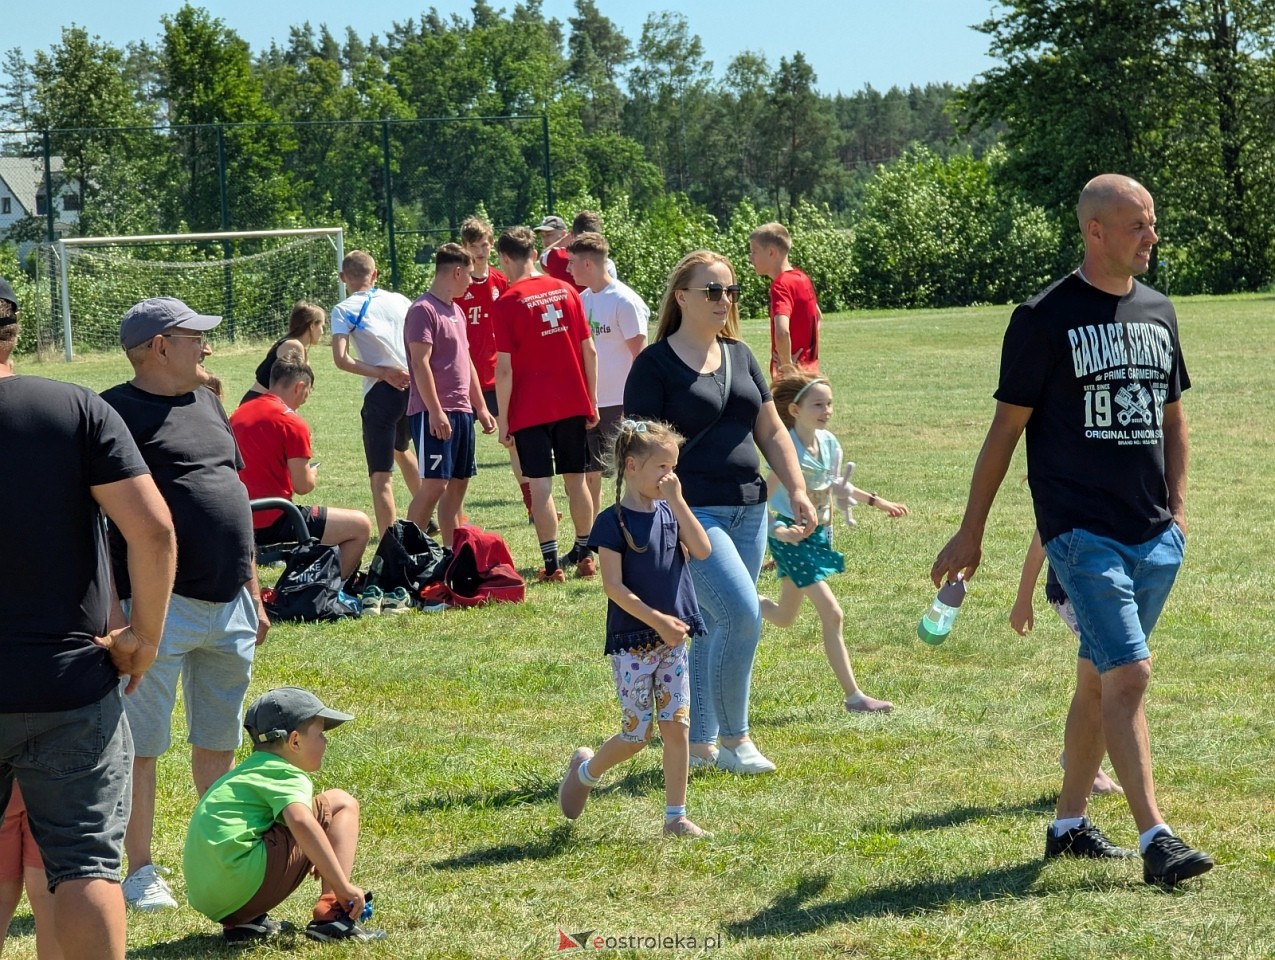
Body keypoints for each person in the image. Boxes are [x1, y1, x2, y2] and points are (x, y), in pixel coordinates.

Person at [931, 174, 1213, 887]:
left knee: (1097, 678)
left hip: (1153, 533)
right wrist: (970, 531)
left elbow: (1173, 420)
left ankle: (1067, 826)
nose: (1151, 237)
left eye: (1151, 223)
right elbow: (1005, 430)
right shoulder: (1042, 317)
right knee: (1130, 673)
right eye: (1136, 225)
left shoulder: (1158, 311)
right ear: (1095, 230)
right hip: (1080, 532)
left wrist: (1177, 511)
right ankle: (1157, 838)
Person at [0, 277, 177, 959]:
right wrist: (144, 638)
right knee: (85, 863)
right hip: (67, 684)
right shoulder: (75, 408)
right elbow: (154, 531)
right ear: (15, 331)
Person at [101, 297, 271, 911]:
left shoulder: (208, 400)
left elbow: (233, 491)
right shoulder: (111, 414)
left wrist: (253, 590)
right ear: (158, 348)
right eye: (194, 336)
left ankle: (216, 857)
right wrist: (118, 614)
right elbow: (91, 524)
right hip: (156, 607)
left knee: (218, 741)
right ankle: (140, 871)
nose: (207, 346)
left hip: (230, 602)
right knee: (141, 747)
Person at [623, 251, 818, 775]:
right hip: (691, 514)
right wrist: (661, 509)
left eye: (730, 290)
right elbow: (636, 452)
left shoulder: (740, 355)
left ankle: (700, 744)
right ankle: (736, 740)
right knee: (741, 614)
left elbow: (771, 431)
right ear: (681, 297)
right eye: (712, 290)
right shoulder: (654, 365)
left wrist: (797, 489)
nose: (724, 300)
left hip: (748, 510)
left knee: (713, 625)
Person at [559, 420, 712, 837]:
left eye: (673, 467)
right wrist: (658, 621)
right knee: (637, 735)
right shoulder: (612, 522)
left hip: (672, 643)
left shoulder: (671, 510)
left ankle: (675, 817)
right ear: (631, 466)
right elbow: (614, 587)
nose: (670, 476)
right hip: (634, 644)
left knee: (677, 727)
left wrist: (678, 502)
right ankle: (586, 772)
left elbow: (702, 549)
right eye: (662, 467)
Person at [183, 687, 383, 944]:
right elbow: (300, 821)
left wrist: (314, 852)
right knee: (341, 803)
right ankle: (332, 912)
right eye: (320, 734)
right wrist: (342, 885)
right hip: (244, 882)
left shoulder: (242, 774)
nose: (325, 742)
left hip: (211, 898)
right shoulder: (286, 773)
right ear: (295, 741)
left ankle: (245, 924)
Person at [759, 370, 908, 714]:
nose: (826, 410)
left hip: (816, 536)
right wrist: (778, 531)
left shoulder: (828, 443)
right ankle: (855, 698)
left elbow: (837, 484)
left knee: (783, 616)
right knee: (833, 613)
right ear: (794, 410)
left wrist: (877, 501)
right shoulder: (786, 450)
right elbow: (758, 501)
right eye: (818, 404)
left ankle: (736, 603)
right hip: (791, 538)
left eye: (829, 404)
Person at [493, 226, 600, 582]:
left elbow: (504, 369)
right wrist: (591, 400)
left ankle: (552, 565)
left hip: (529, 410)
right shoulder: (567, 291)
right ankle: (585, 554)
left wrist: (504, 420)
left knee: (540, 487)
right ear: (534, 253)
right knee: (576, 481)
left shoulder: (507, 302)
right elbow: (589, 350)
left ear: (505, 258)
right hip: (571, 402)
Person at [230, 360, 373, 580]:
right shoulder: (291, 422)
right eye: (307, 393)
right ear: (300, 386)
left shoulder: (238, 414)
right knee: (360, 526)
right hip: (272, 517)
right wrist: (312, 474)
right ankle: (325, 591)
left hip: (238, 514)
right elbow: (303, 486)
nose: (304, 400)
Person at [1011, 529, 1123, 796]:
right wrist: (1023, 600)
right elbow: (1040, 540)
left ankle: (1080, 759)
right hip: (1073, 590)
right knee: (1110, 672)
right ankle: (1082, 762)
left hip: (1109, 585)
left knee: (1112, 672)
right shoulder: (1065, 502)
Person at [403, 243, 497, 545]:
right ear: (456, 272)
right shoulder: (423, 310)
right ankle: (402, 553)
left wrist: (480, 407)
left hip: (462, 411)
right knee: (434, 485)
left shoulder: (457, 310)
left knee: (457, 485)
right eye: (469, 275)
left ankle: (450, 554)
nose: (471, 282)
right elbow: (420, 363)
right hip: (434, 412)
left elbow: (465, 361)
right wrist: (435, 410)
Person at [330, 251, 422, 538]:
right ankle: (425, 516)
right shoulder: (400, 300)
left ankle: (389, 544)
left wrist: (382, 372)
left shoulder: (343, 309)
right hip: (414, 386)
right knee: (402, 449)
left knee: (381, 476)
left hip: (382, 393)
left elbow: (341, 359)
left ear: (343, 278)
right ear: (376, 274)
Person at [567, 231, 648, 523]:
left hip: (620, 404)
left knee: (631, 471)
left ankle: (635, 526)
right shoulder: (581, 300)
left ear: (588, 264)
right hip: (590, 403)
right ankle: (593, 535)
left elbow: (642, 359)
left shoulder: (624, 301)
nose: (568, 269)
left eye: (572, 262)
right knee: (591, 474)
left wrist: (634, 404)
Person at [748, 222, 822, 377]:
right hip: (810, 372)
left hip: (791, 380)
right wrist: (806, 351)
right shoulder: (802, 278)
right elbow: (818, 316)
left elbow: (782, 332)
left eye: (754, 251)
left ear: (771, 252)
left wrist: (787, 367)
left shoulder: (780, 286)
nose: (750, 257)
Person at [240, 301, 326, 406]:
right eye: (322, 326)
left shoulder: (295, 345)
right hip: (259, 403)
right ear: (312, 326)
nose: (323, 331)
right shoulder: (293, 346)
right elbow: (289, 390)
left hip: (267, 403)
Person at [532, 215, 580, 290]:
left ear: (564, 234)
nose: (545, 240)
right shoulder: (539, 264)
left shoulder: (578, 256)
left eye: (549, 235)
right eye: (542, 236)